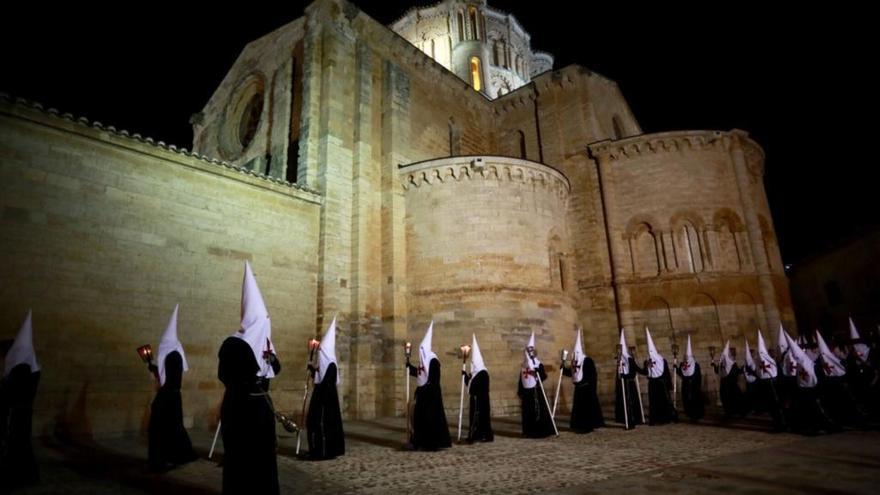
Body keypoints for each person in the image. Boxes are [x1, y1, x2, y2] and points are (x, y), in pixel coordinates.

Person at [218, 261, 281, 495]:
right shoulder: (233, 345)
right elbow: (225, 375)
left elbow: (276, 368)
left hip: (262, 410)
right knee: (242, 457)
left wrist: (272, 360)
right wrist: (250, 374)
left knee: (263, 456)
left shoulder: (266, 344)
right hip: (240, 409)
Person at [147, 304, 197, 471]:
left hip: (168, 397)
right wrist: (155, 369)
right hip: (172, 396)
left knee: (163, 428)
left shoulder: (173, 356)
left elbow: (170, 379)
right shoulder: (173, 355)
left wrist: (158, 374)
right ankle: (176, 454)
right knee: (173, 427)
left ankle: (164, 459)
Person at [0, 310, 41, 488]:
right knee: (20, 444)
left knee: (19, 445)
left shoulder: (23, 368)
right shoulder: (30, 366)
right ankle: (24, 474)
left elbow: (12, 392)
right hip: (22, 413)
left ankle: (21, 476)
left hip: (19, 413)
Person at [405, 322, 451, 450]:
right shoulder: (424, 361)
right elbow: (421, 374)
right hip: (423, 395)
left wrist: (425, 388)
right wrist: (410, 368)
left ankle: (431, 443)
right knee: (420, 419)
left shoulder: (433, 360)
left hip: (431, 396)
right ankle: (419, 441)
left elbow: (433, 379)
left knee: (430, 419)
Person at [306, 317, 345, 460]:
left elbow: (325, 384)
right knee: (313, 422)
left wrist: (315, 371)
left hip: (325, 405)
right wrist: (312, 369)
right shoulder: (327, 365)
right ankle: (316, 450)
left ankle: (323, 451)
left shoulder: (331, 366)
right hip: (322, 401)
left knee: (322, 425)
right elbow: (320, 377)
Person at [561, 328, 604, 433]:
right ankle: (579, 426)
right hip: (579, 389)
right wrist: (563, 366)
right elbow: (572, 373)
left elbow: (592, 375)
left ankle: (588, 426)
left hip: (587, 388)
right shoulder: (574, 362)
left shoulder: (587, 361)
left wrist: (592, 387)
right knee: (579, 409)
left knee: (587, 409)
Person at [633, 328, 677, 425]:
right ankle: (655, 419)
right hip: (652, 383)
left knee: (663, 401)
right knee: (653, 402)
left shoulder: (662, 360)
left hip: (661, 383)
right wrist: (635, 366)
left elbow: (666, 373)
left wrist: (669, 385)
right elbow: (645, 372)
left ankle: (665, 418)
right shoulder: (647, 361)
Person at [518, 332, 556, 438]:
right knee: (527, 412)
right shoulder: (523, 366)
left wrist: (537, 371)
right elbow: (521, 379)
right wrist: (520, 391)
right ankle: (528, 431)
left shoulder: (538, 364)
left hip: (536, 392)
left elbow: (543, 376)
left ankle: (540, 431)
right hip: (526, 394)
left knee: (539, 411)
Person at [751, 330, 786, 432]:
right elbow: (759, 373)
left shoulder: (770, 361)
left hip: (772, 385)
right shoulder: (761, 361)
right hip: (766, 385)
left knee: (777, 407)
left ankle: (782, 424)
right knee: (772, 408)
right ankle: (777, 424)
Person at [462, 334, 493, 443]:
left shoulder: (483, 373)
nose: (472, 365)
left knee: (482, 418)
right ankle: (475, 434)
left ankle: (485, 435)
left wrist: (469, 380)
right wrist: (465, 376)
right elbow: (469, 385)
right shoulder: (474, 374)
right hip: (475, 399)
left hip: (481, 400)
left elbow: (478, 387)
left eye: (474, 363)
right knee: (474, 418)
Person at [615, 329, 642, 429]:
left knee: (631, 403)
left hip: (629, 385)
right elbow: (618, 373)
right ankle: (625, 420)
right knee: (624, 403)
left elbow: (633, 371)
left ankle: (632, 421)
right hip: (622, 385)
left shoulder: (630, 360)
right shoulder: (619, 360)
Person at [713, 340, 747, 418]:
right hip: (727, 384)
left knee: (734, 398)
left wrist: (742, 369)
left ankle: (735, 411)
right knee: (727, 399)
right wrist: (714, 366)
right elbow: (719, 371)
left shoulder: (730, 363)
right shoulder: (725, 363)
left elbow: (736, 371)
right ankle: (730, 412)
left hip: (730, 385)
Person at [676, 335, 704, 422]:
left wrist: (693, 381)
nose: (686, 359)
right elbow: (681, 374)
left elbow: (698, 375)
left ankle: (696, 415)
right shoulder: (682, 364)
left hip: (693, 386)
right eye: (685, 357)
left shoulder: (696, 365)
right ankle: (689, 413)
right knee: (686, 399)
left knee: (694, 400)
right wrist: (676, 368)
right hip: (686, 385)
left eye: (687, 357)